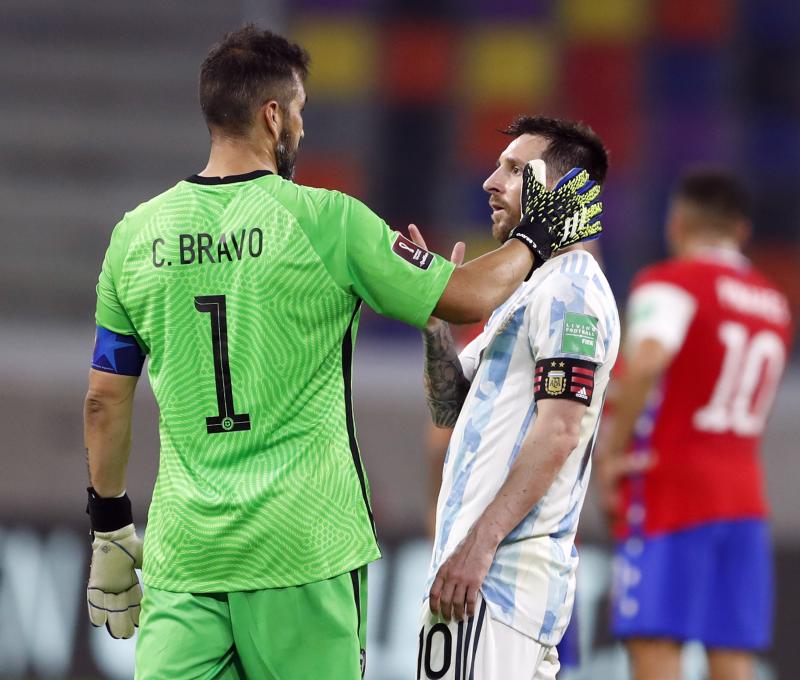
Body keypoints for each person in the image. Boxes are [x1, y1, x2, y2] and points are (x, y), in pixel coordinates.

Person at [82, 26, 597, 680]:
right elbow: (466, 297)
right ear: (272, 116)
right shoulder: (327, 220)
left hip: (187, 556)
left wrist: (108, 525)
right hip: (305, 549)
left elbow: (103, 400)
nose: (301, 125)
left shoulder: (136, 236)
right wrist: (535, 235)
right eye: (298, 111)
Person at [414, 115, 618, 680]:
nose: (489, 181)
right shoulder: (530, 291)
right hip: (493, 586)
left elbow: (559, 429)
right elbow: (448, 410)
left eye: (511, 169)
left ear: (557, 189)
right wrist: (436, 328)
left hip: (494, 585)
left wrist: (478, 546)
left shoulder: (571, 291)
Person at [596, 168, 793, 680]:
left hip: (670, 493)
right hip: (745, 500)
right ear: (741, 231)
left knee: (656, 648)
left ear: (677, 223)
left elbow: (646, 361)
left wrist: (613, 453)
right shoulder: (774, 304)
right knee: (733, 659)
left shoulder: (670, 283)